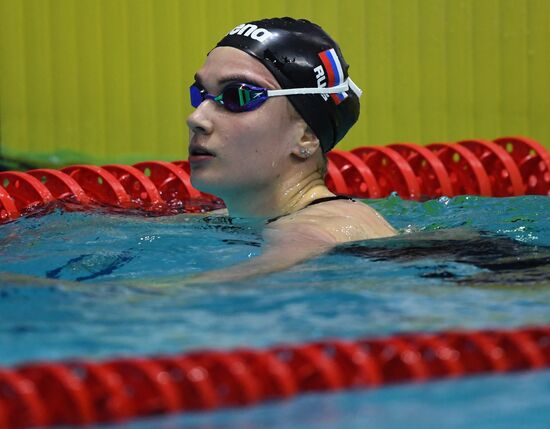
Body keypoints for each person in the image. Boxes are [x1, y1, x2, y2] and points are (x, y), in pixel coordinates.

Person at [186, 18, 396, 282]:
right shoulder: (237, 219)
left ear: (306, 136)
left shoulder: (318, 228)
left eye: (237, 96)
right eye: (200, 94)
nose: (196, 118)